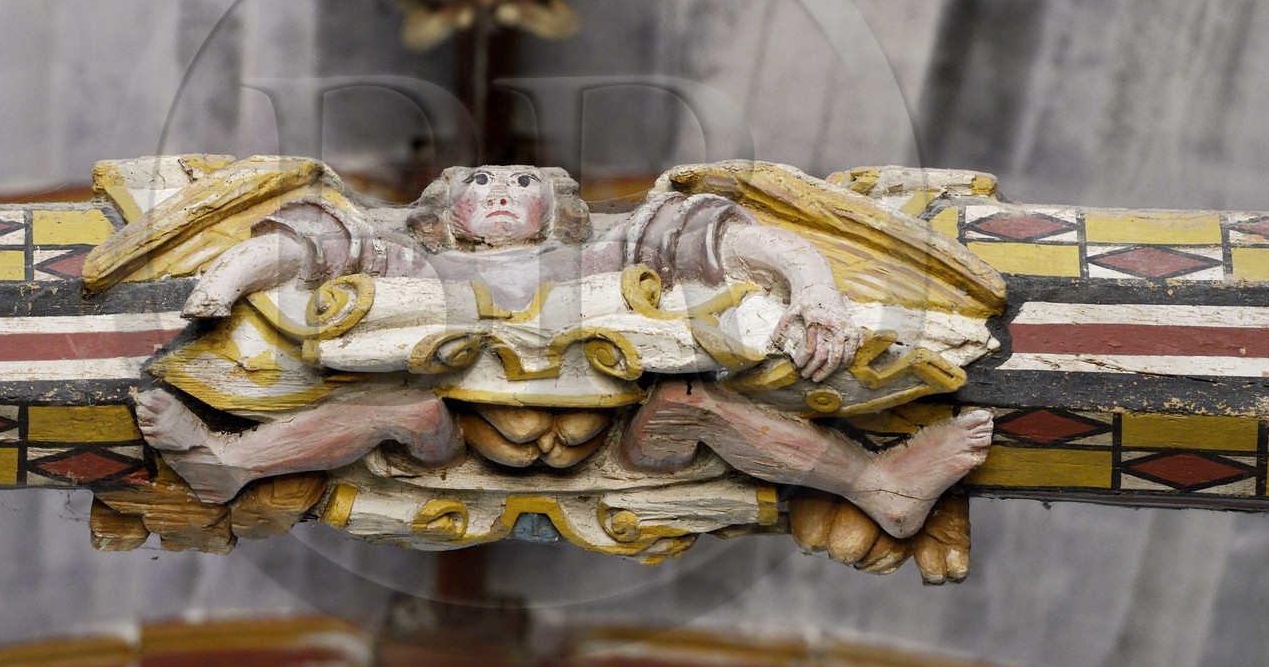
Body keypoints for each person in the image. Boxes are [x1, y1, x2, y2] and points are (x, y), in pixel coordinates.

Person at [136, 164, 990, 538]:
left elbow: (727, 238)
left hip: (615, 440)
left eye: (524, 182)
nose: (502, 192)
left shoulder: (606, 256)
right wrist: (235, 271)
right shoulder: (416, 262)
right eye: (480, 182)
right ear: (444, 214)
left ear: (561, 210)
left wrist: (814, 286)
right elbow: (323, 245)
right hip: (454, 443)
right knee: (405, 409)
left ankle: (877, 485)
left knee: (690, 406)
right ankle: (227, 464)